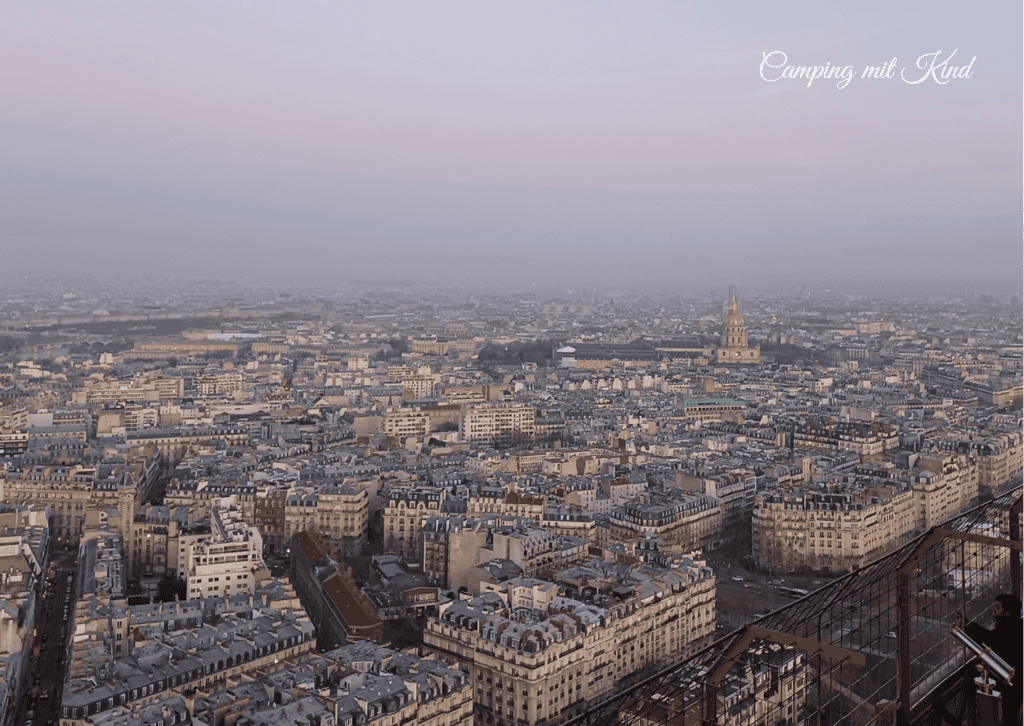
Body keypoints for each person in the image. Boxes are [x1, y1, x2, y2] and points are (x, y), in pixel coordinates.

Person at [965, 594, 1022, 726]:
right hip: (1015, 682)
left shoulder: (1009, 632)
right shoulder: (1017, 627)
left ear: (1007, 612)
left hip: (1012, 682)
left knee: (1010, 716)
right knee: (1011, 716)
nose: (994, 610)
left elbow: (991, 640)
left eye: (997, 608)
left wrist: (968, 626)